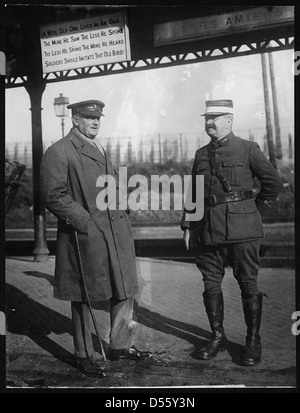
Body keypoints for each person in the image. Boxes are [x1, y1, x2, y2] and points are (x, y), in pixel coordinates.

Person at [40, 99, 152, 378]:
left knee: (124, 289)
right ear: (74, 119)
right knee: (82, 294)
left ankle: (120, 345)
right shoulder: (59, 151)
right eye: (88, 117)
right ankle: (83, 355)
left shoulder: (99, 147)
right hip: (88, 234)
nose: (94, 122)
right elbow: (53, 195)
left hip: (116, 231)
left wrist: (124, 204)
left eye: (98, 118)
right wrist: (84, 221)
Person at [181, 99, 283, 366]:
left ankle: (252, 341)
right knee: (210, 285)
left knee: (248, 284)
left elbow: (273, 184)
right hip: (207, 231)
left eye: (216, 117)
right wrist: (188, 226)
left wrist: (254, 212)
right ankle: (217, 337)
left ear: (230, 121)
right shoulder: (201, 154)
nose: (209, 122)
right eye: (207, 118)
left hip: (243, 233)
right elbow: (193, 194)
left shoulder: (248, 149)